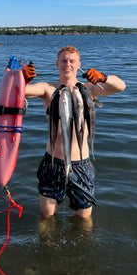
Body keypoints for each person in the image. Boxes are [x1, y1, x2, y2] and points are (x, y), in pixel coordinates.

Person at [23, 45, 126, 220]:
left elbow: (121, 86)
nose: (67, 64)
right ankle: (47, 244)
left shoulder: (89, 89)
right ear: (57, 64)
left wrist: (103, 77)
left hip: (81, 164)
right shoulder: (48, 89)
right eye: (63, 60)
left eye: (72, 61)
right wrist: (20, 77)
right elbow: (20, 91)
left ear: (79, 65)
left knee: (83, 217)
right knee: (46, 215)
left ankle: (82, 246)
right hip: (53, 162)